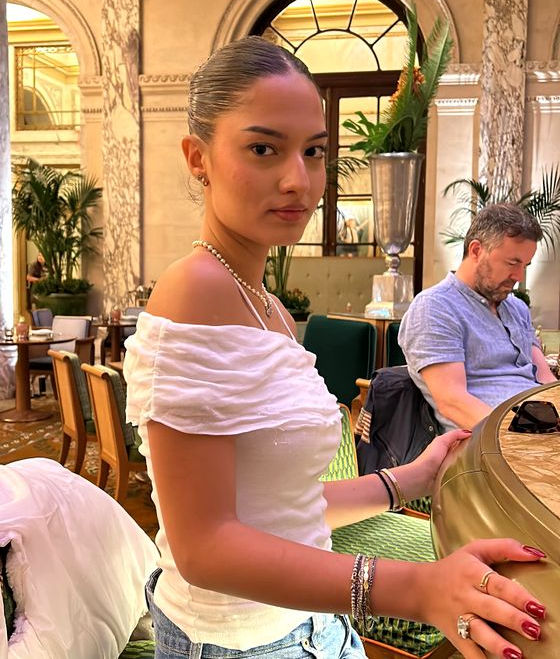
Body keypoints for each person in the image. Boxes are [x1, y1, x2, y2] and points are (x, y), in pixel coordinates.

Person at [124, 38, 547, 659]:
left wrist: (408, 478)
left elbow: (284, 506)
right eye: (263, 148)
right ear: (198, 157)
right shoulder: (196, 291)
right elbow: (204, 547)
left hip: (312, 623)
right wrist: (416, 587)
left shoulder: (263, 303)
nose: (298, 180)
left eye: (314, 151)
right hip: (241, 642)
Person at [398, 204, 557, 431]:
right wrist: (516, 437)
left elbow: (545, 379)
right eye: (512, 263)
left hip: (541, 431)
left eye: (525, 265)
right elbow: (454, 403)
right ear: (476, 251)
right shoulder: (435, 307)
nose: (519, 276)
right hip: (487, 441)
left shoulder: (517, 308)